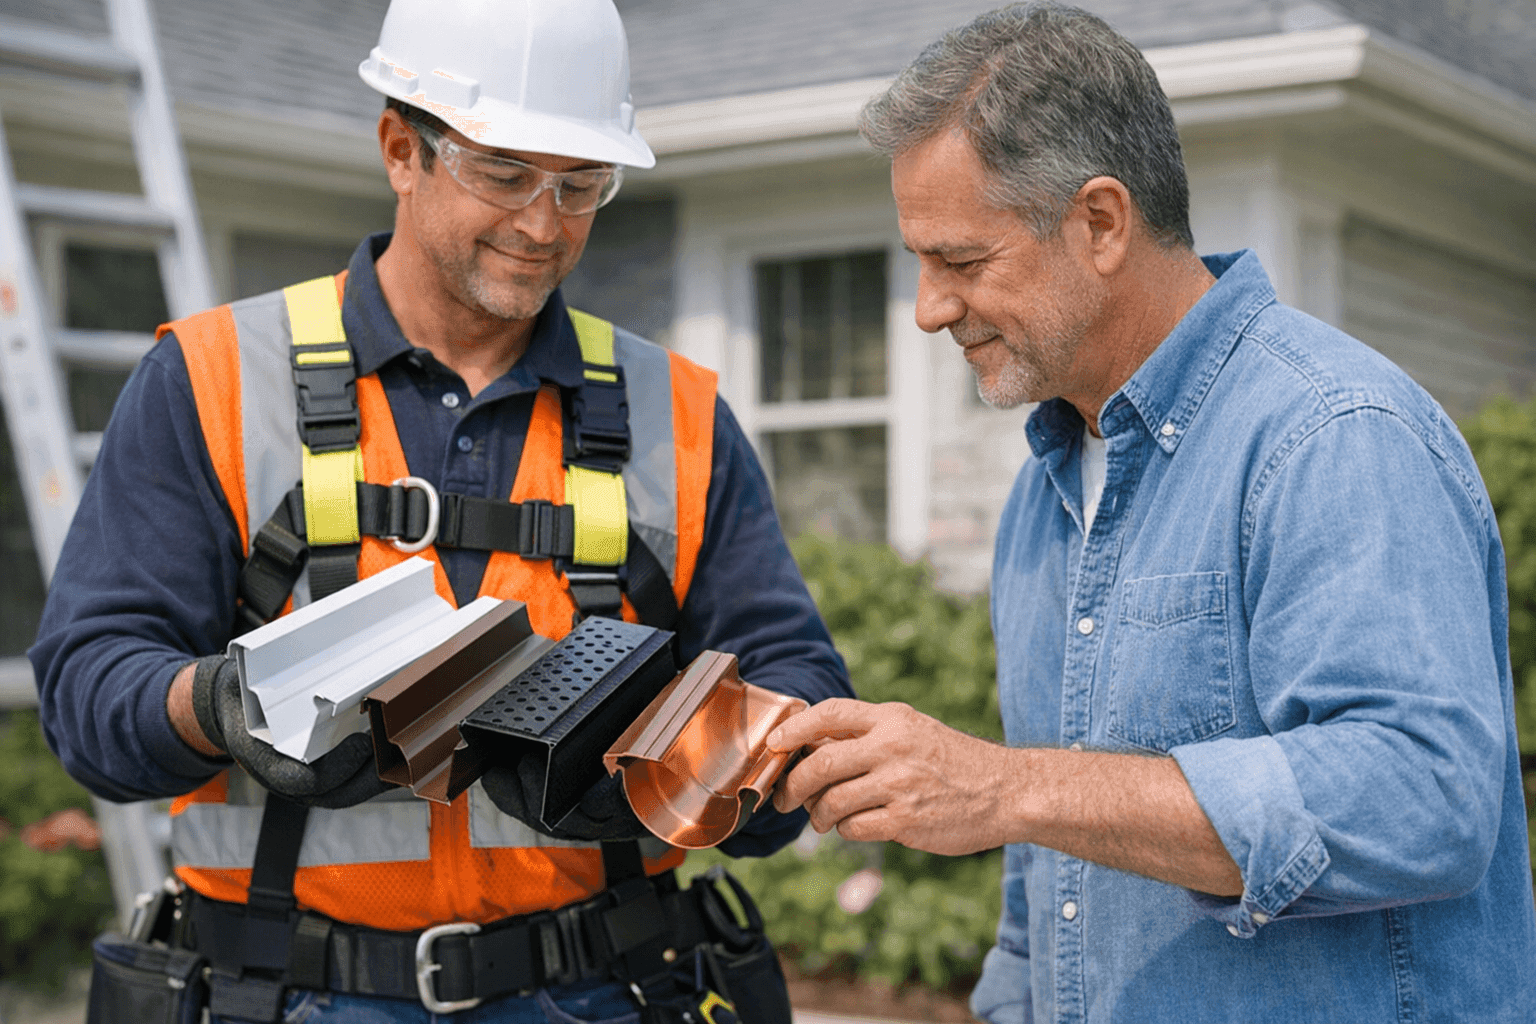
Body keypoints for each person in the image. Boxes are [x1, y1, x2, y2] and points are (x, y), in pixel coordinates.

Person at [30, 0, 851, 1020]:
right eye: (504, 172)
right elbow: (89, 688)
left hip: (597, 988)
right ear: (399, 150)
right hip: (286, 990)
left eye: (581, 184)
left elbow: (799, 685)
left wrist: (683, 764)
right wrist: (222, 708)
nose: (543, 224)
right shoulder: (209, 378)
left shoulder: (674, 412)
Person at [768, 4, 1536, 1021]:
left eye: (961, 261)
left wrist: (1007, 788)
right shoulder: (1046, 488)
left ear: (1100, 222)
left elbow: (1423, 798)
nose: (928, 308)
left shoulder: (1333, 432)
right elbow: (1047, 893)